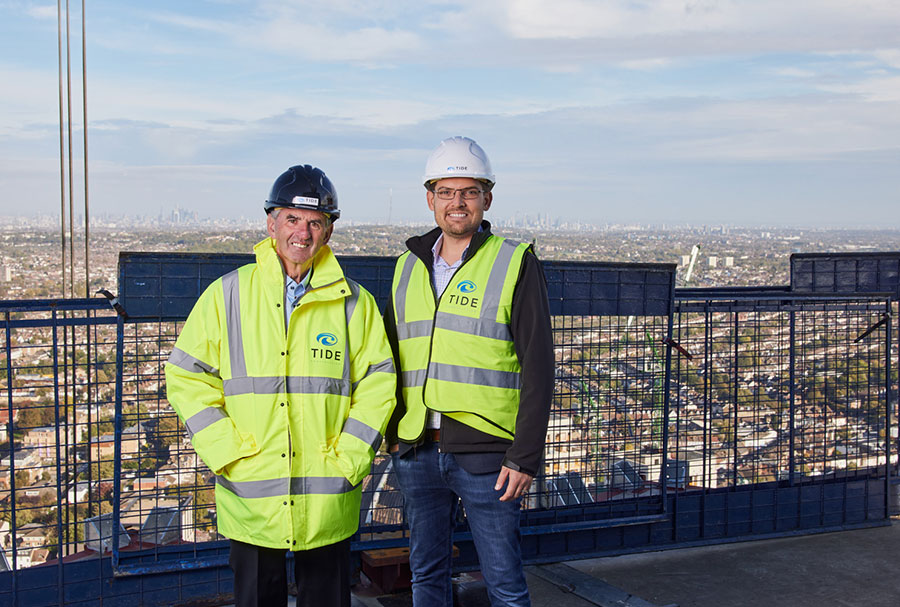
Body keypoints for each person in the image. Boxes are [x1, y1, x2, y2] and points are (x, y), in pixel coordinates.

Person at [165, 164, 396, 607]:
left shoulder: (354, 303)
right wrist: (226, 451)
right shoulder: (227, 294)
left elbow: (379, 381)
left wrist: (350, 456)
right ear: (271, 223)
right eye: (292, 219)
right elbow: (185, 375)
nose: (302, 233)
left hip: (327, 491)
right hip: (251, 490)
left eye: (315, 222)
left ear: (328, 232)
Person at [384, 136, 554, 606]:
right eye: (446, 192)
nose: (456, 202)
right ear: (430, 199)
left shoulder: (514, 262)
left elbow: (539, 366)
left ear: (487, 199)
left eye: (469, 192)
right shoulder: (406, 268)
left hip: (488, 457)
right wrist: (393, 437)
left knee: (503, 583)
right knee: (426, 575)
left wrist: (525, 457)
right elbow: (391, 359)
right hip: (417, 449)